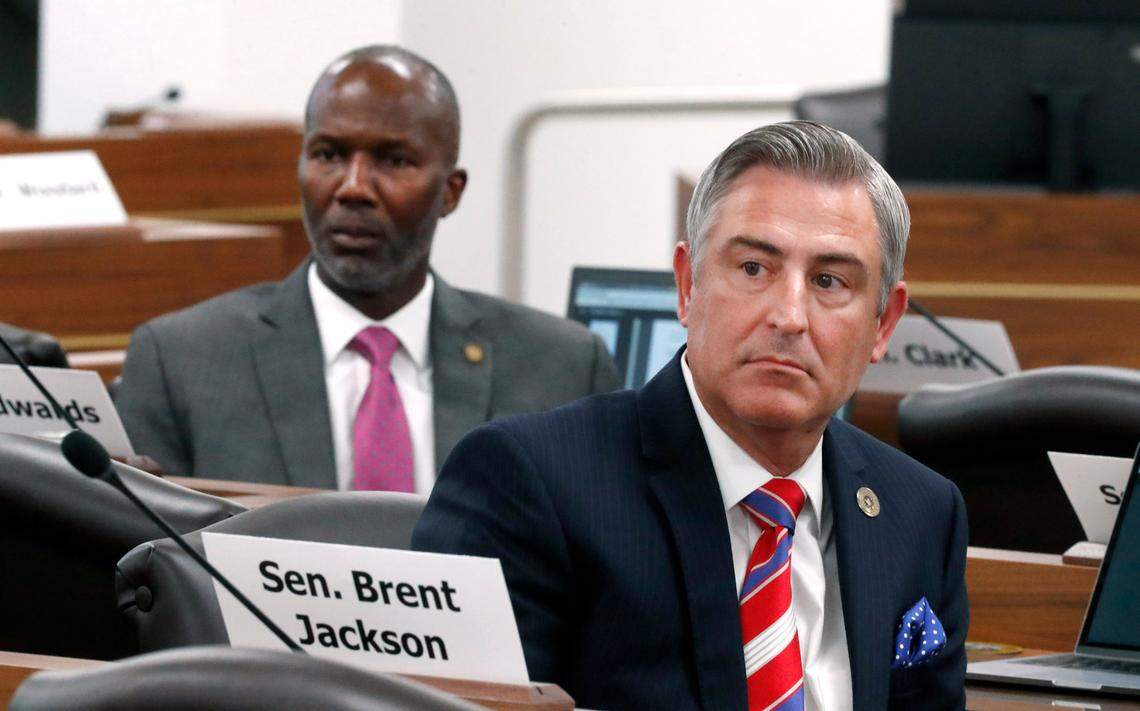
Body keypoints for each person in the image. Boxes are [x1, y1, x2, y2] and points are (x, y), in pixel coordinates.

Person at [413, 121, 968, 710]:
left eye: (829, 281)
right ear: (687, 285)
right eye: (754, 268)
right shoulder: (528, 481)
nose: (788, 316)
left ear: (884, 323)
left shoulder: (921, 513)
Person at [115, 45, 620, 490]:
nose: (353, 186)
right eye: (329, 154)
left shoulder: (566, 370)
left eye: (393, 160)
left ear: (450, 191)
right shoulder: (181, 362)